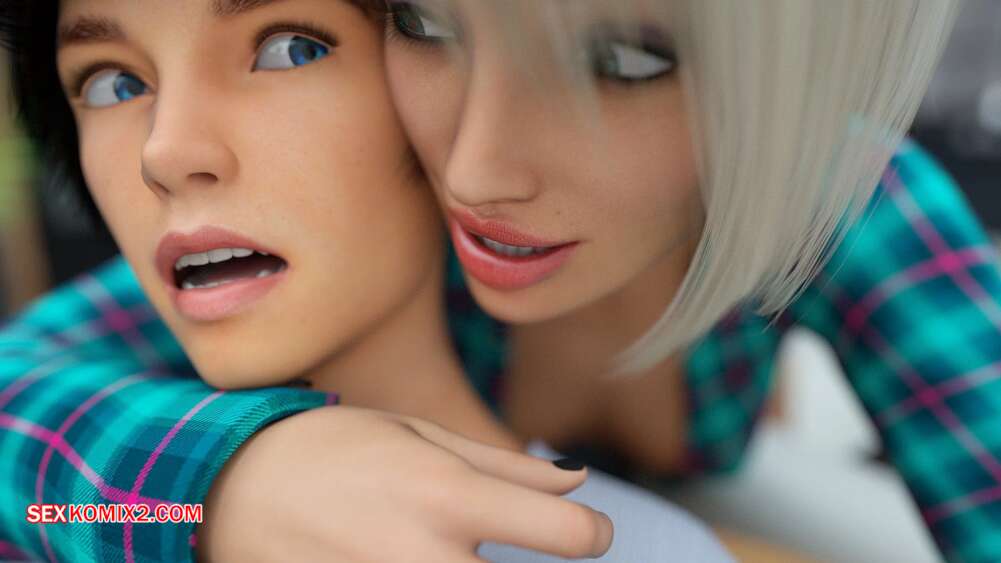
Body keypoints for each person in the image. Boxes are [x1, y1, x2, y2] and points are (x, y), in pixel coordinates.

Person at [4, 1, 993, 562]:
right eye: (425, 24)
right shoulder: (357, 223)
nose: (473, 171)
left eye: (622, 61)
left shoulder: (851, 200)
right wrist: (214, 485)